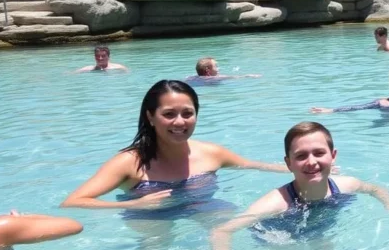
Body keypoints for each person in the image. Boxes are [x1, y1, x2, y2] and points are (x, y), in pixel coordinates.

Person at [193, 122, 389, 250]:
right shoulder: (276, 203)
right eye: (301, 156)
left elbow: (375, 189)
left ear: (333, 156)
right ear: (289, 163)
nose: (311, 162)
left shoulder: (346, 184)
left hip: (318, 224)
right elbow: (223, 230)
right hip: (279, 233)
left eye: (319, 153)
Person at [61, 80, 288, 217]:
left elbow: (255, 166)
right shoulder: (129, 162)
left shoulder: (211, 153)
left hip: (201, 205)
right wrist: (136, 204)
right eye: (169, 114)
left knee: (228, 218)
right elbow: (73, 202)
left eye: (187, 113)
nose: (180, 122)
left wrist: (314, 170)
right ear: (151, 117)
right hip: (150, 217)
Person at [186, 57, 260, 83]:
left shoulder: (191, 78)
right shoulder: (215, 78)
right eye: (216, 66)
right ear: (207, 70)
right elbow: (235, 77)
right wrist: (248, 76)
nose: (218, 68)